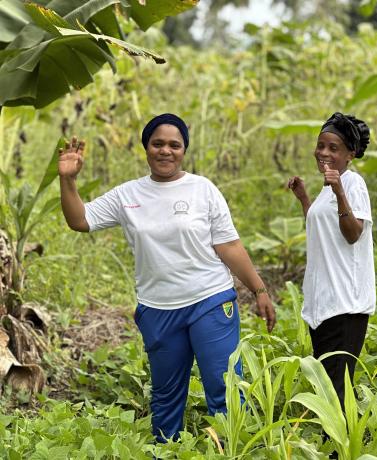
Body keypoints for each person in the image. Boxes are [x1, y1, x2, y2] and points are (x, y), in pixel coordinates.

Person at [58, 113, 276, 442]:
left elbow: (229, 246)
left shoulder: (203, 189)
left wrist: (259, 289)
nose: (165, 151)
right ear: (146, 147)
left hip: (210, 300)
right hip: (158, 308)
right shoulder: (127, 195)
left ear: (184, 150)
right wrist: (68, 181)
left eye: (175, 145)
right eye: (157, 143)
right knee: (166, 397)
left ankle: (232, 448)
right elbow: (80, 220)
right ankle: (167, 450)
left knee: (224, 387)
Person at [288, 112, 375, 408]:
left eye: (333, 148)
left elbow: (353, 233)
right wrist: (304, 200)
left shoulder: (352, 184)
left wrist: (339, 191)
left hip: (345, 306)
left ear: (351, 154)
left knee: (336, 393)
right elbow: (323, 232)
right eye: (320, 145)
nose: (324, 152)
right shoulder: (329, 189)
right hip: (323, 304)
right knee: (327, 389)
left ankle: (339, 452)